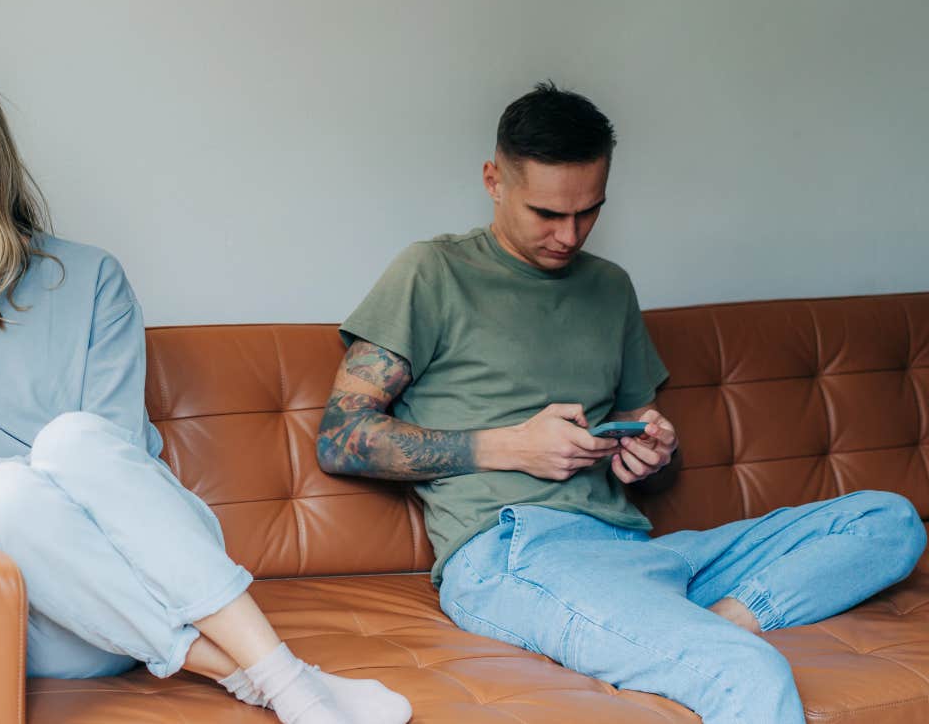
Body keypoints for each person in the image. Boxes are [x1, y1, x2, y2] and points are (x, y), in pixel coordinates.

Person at [0, 61, 411, 724]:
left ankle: (284, 685)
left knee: (71, 439)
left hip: (148, 558)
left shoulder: (91, 278)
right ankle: (284, 680)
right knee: (2, 497)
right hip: (41, 601)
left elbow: (111, 461)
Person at [315, 81, 925, 723]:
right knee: (745, 672)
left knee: (887, 520)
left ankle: (712, 624)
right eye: (546, 213)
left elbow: (657, 473)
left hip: (639, 551)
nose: (569, 235)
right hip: (515, 554)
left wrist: (655, 456)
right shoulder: (431, 271)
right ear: (494, 181)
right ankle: (700, 642)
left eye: (588, 211)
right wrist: (512, 445)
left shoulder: (611, 288)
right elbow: (340, 439)